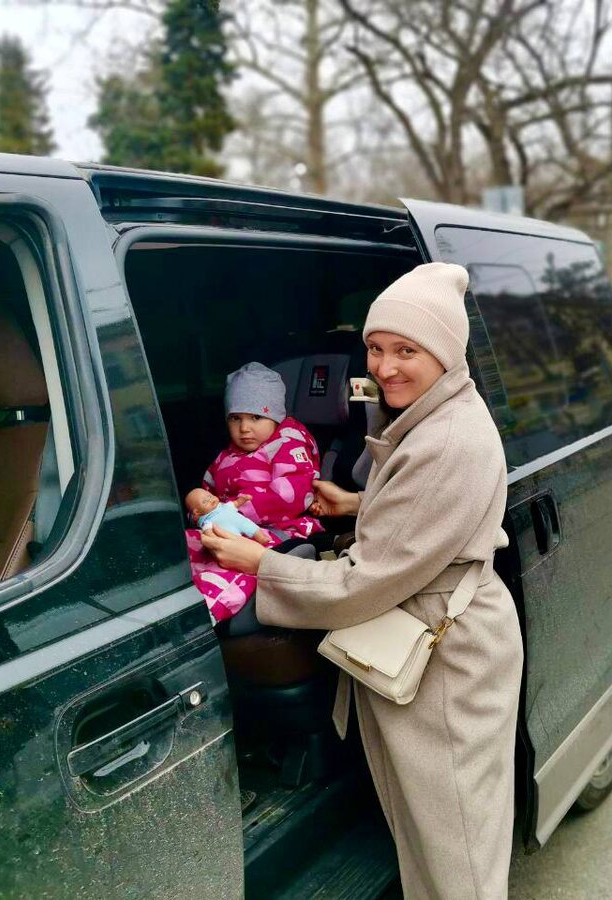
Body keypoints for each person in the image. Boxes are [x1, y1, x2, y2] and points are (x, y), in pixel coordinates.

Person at [201, 262, 523, 900]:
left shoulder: (448, 440)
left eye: (408, 350)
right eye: (375, 349)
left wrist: (258, 563)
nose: (386, 367)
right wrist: (355, 505)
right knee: (435, 837)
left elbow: (364, 585)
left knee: (456, 854)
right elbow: (423, 519)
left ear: (447, 351)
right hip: (434, 636)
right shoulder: (435, 414)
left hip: (446, 659)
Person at [185, 361, 322, 623]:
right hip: (223, 527)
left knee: (232, 568)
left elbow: (290, 495)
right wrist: (203, 516)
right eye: (236, 418)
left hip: (277, 531)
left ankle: (206, 615)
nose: (244, 428)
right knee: (184, 546)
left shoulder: (288, 444)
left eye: (256, 417)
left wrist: (233, 511)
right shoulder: (227, 456)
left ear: (276, 417)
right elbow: (207, 493)